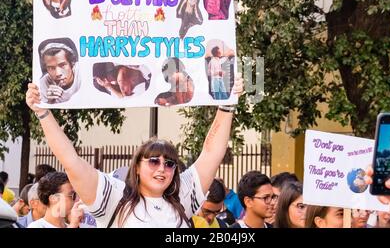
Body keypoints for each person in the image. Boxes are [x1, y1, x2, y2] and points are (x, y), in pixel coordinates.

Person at [26, 76, 243, 227]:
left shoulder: (183, 196)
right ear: (137, 167)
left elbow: (211, 153)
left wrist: (228, 104)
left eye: (169, 164)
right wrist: (42, 112)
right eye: (154, 161)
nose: (162, 168)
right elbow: (70, 160)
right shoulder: (114, 197)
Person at [38, 38, 80, 104]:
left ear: (72, 63)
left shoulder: (81, 75)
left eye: (62, 65)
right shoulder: (43, 83)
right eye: (51, 68)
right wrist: (50, 102)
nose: (58, 73)